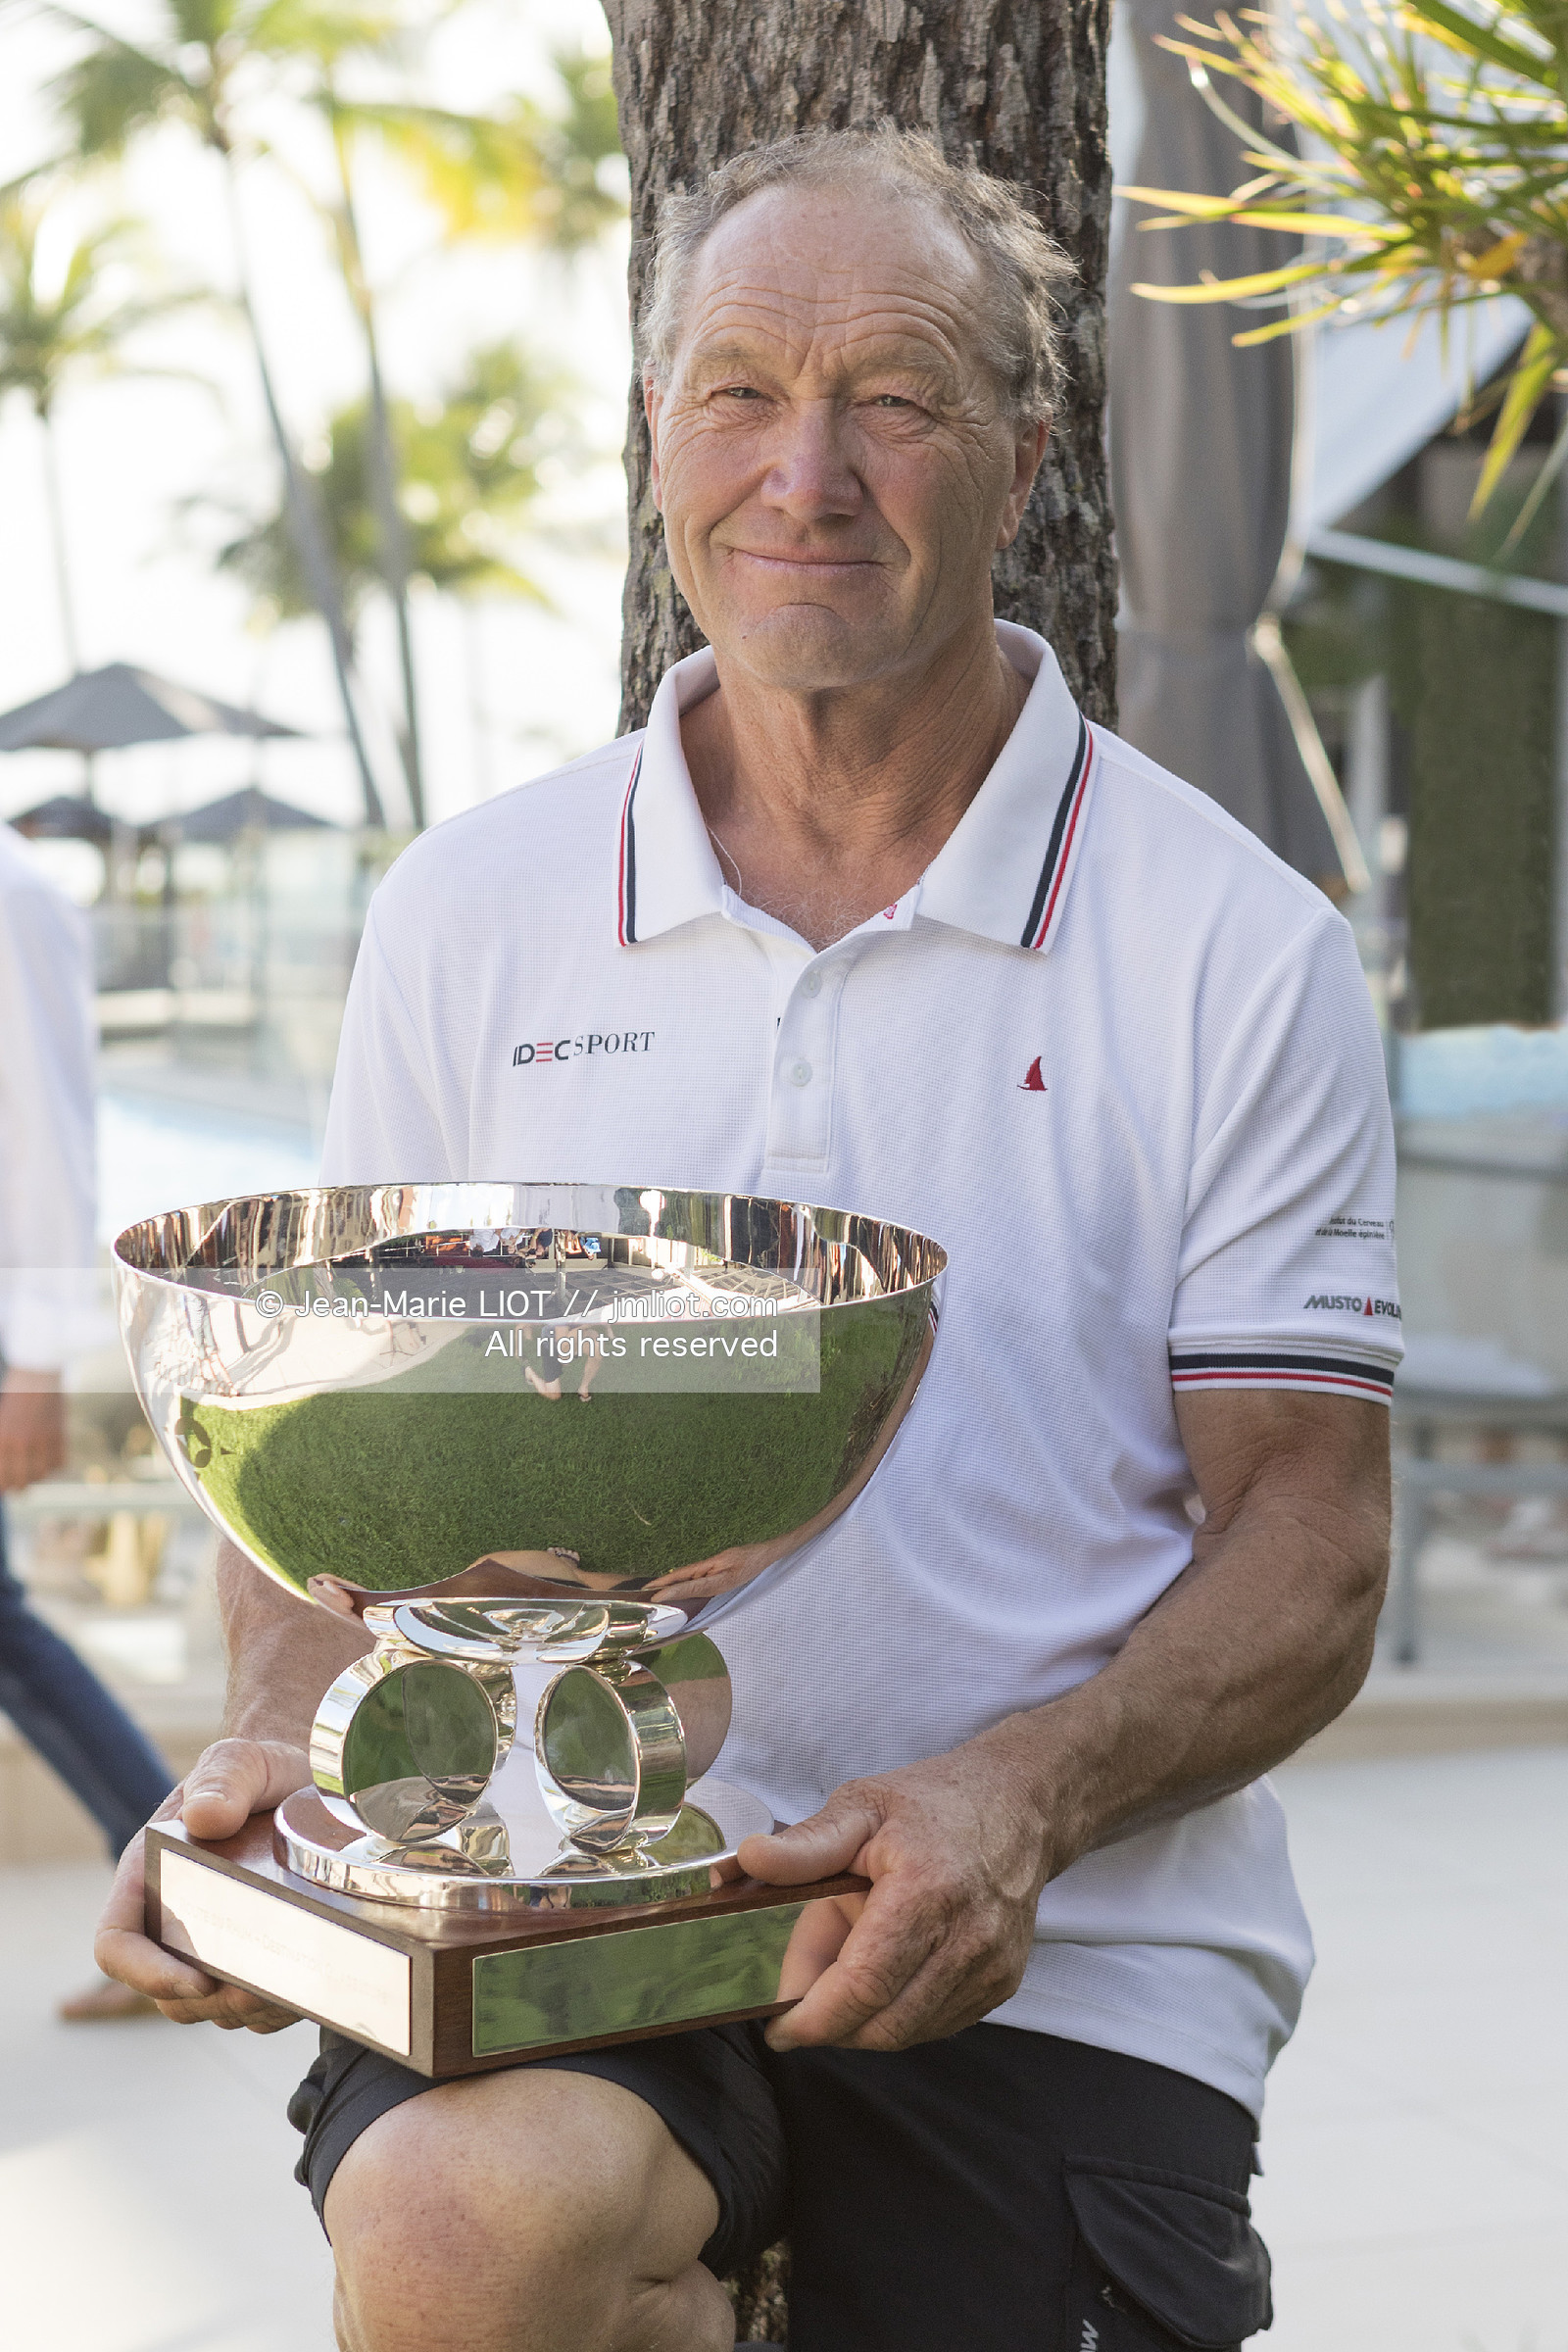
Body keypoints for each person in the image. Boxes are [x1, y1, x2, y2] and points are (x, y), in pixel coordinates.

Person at [96, 128, 1398, 2351]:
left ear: (1020, 449)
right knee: (449, 2222)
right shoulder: (471, 908)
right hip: (555, 1910)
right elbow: (337, 1447)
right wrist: (274, 1742)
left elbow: (1311, 1536)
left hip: (1057, 1952)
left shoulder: (1232, 946)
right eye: (734, 391)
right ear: (651, 430)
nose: (803, 472)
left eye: (889, 396)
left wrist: (1017, 1795)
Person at [0, 816, 173, 2018]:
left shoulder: (10, 893)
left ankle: (182, 1901)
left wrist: (35, 1364)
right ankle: (182, 1902)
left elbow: (41, 1135)